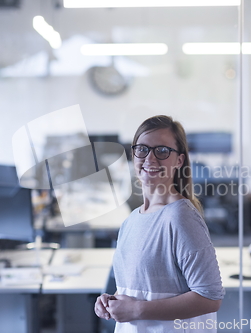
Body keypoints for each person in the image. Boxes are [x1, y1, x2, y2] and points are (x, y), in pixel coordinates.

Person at [94, 115, 225, 332]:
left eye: (162, 151)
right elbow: (142, 288)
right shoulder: (132, 220)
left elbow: (210, 297)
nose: (150, 159)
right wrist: (113, 301)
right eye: (142, 149)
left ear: (179, 160)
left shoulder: (181, 217)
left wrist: (136, 310)